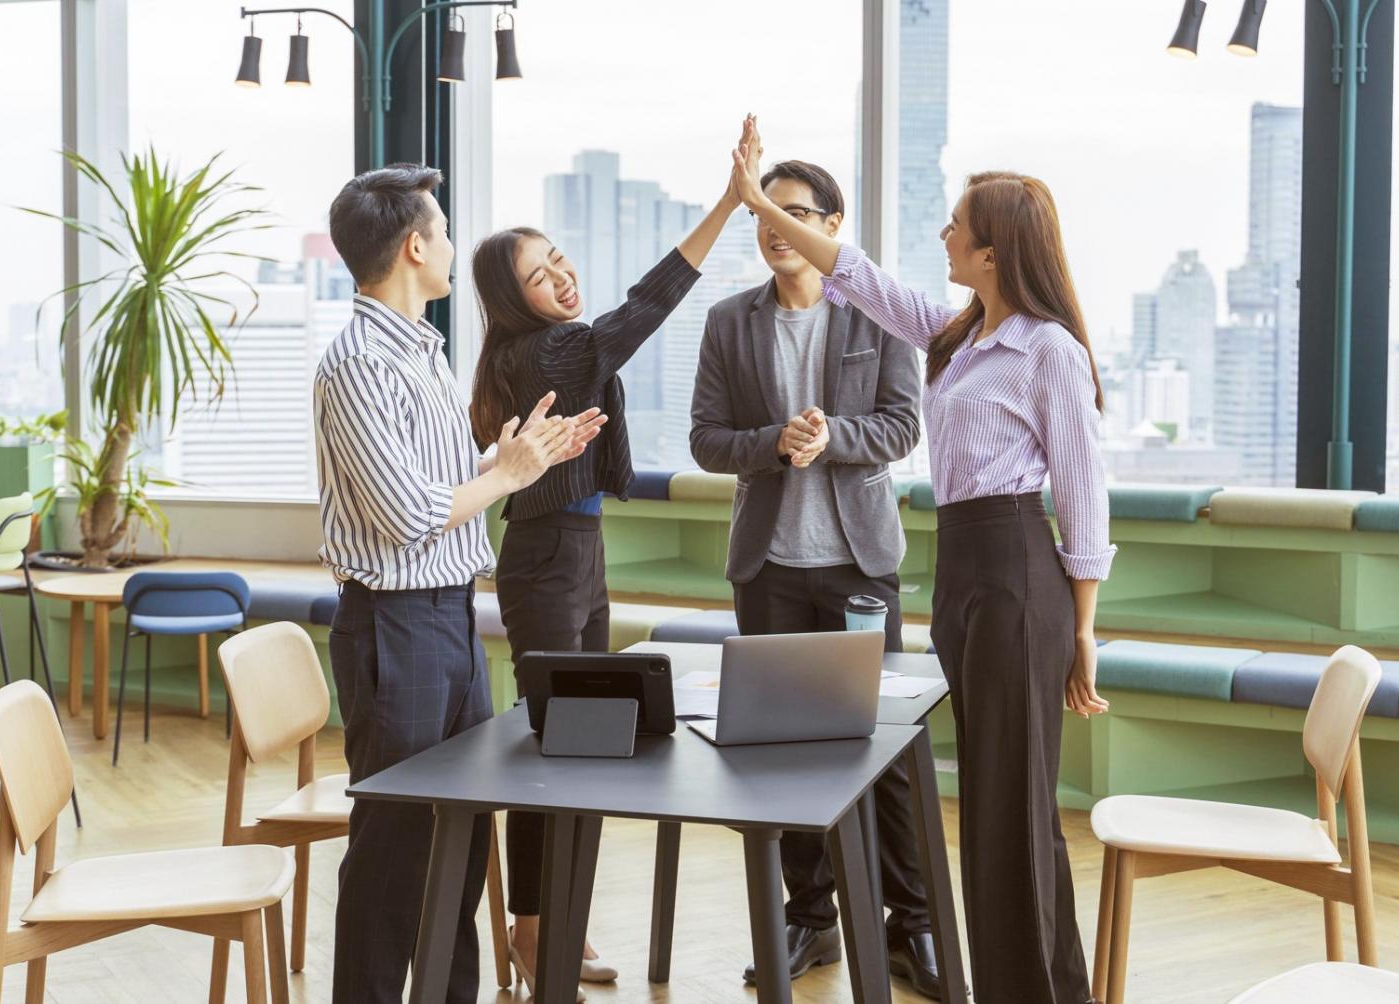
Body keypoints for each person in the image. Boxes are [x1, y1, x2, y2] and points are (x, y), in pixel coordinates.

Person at [731, 119, 1115, 1004]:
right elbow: (856, 276)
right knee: (989, 803)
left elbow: (1083, 491)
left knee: (1009, 810)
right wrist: (756, 204)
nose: (942, 235)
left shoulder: (1047, 350)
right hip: (968, 574)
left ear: (992, 249)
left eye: (954, 226)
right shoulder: (960, 335)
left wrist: (1084, 628)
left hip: (1019, 571)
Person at [314, 163, 605, 1004]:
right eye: (439, 232)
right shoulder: (362, 363)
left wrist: (521, 458)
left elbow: (437, 488)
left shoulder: (424, 352)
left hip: (449, 618)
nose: (447, 244)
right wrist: (507, 475)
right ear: (413, 246)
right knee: (397, 847)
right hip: (395, 627)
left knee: (465, 838)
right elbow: (409, 515)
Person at [468, 148, 745, 995]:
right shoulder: (550, 350)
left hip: (577, 552)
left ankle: (554, 920)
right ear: (511, 297)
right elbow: (645, 308)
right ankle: (531, 929)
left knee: (579, 745)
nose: (560, 274)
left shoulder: (545, 350)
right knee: (552, 747)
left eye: (559, 259)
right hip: (549, 559)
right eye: (538, 272)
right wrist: (728, 204)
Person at [690, 156, 944, 997]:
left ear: (830, 228)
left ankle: (911, 927)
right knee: (779, 753)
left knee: (888, 751)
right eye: (764, 213)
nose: (774, 227)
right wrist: (773, 443)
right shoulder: (729, 321)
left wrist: (831, 436)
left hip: (859, 570)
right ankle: (810, 919)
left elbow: (904, 424)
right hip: (767, 572)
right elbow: (705, 440)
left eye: (793, 211)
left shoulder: (873, 316)